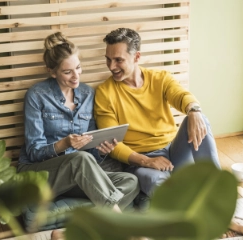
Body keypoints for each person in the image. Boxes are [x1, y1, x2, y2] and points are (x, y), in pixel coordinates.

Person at [17, 32, 140, 219]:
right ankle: (121, 223)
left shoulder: (87, 94)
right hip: (39, 175)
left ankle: (82, 223)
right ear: (52, 71)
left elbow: (89, 154)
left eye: (78, 68)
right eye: (67, 72)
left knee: (130, 181)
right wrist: (64, 144)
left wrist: (101, 150)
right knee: (79, 160)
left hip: (75, 175)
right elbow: (34, 152)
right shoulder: (37, 95)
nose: (76, 77)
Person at [94, 27, 220, 198]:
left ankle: (218, 189)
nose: (111, 66)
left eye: (118, 60)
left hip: (174, 150)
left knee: (200, 118)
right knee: (159, 186)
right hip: (141, 162)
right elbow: (112, 143)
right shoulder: (105, 93)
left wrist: (194, 110)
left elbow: (180, 95)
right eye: (108, 59)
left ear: (137, 57)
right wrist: (147, 161)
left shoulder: (160, 78)